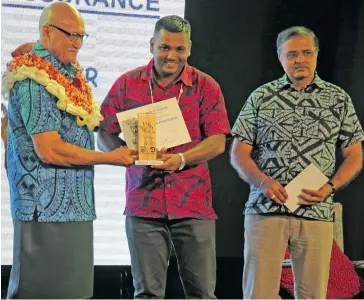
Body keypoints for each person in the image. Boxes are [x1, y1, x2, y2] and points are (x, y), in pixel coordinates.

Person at [3, 3, 136, 298]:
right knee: (41, 291)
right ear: (47, 32)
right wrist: (110, 158)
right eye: (71, 34)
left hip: (75, 206)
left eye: (81, 35)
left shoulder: (64, 69)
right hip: (44, 207)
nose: (77, 43)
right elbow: (49, 150)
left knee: (73, 292)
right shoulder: (32, 78)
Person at [97, 15, 230, 299]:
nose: (172, 55)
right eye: (165, 47)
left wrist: (181, 159)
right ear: (151, 45)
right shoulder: (127, 83)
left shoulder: (205, 86)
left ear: (189, 48)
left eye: (179, 49)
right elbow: (104, 133)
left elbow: (218, 141)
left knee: (203, 294)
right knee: (146, 294)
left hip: (193, 204)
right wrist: (125, 153)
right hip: (143, 204)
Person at [230, 26, 364, 299]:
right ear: (279, 57)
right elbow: (238, 153)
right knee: (258, 294)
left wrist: (330, 187)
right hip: (265, 209)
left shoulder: (338, 99)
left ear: (316, 54)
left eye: (306, 53)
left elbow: (354, 155)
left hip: (316, 211)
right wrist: (264, 182)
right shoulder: (260, 97)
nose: (299, 59)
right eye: (291, 54)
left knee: (314, 295)